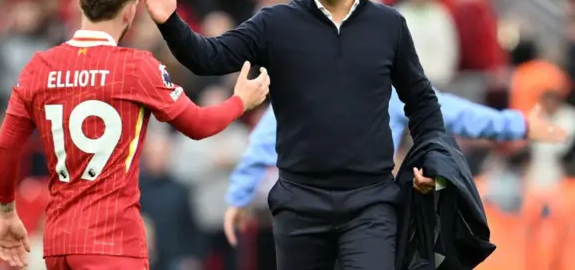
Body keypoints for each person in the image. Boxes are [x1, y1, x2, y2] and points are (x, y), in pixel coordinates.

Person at [143, 0, 449, 270]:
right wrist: (170, 22)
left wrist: (432, 159)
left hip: (371, 200)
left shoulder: (389, 25)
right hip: (300, 202)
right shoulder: (275, 23)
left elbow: (422, 101)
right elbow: (208, 58)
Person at [0, 0, 270, 270]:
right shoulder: (136, 68)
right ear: (129, 12)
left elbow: (5, 146)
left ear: (81, 3)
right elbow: (198, 124)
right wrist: (239, 102)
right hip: (113, 243)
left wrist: (5, 212)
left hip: (59, 244)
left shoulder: (39, 67)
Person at [223, 92, 567, 244]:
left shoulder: (387, 88)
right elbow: (266, 140)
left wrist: (516, 125)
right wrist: (239, 196)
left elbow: (448, 111)